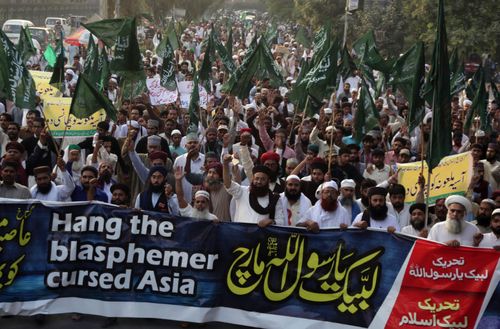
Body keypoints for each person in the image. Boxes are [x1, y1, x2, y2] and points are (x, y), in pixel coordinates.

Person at [223, 154, 285, 226]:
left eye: (263, 179)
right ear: (253, 179)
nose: (259, 181)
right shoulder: (242, 191)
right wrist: (225, 165)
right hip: (240, 234)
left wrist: (271, 221)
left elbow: (281, 221)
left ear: (268, 181)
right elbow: (228, 184)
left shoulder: (275, 198)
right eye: (257, 178)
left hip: (261, 236)